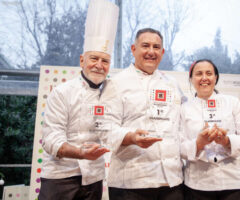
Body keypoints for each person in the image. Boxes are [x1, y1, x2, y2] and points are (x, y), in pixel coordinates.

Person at [38, 0, 119, 199]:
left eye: (105, 61)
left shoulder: (111, 93)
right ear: (82, 60)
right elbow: (50, 140)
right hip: (60, 176)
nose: (99, 65)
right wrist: (80, 153)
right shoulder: (62, 92)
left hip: (93, 178)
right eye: (94, 59)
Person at [102, 28, 184, 200]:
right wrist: (131, 137)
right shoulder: (116, 83)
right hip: (132, 182)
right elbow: (104, 128)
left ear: (162, 52)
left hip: (171, 181)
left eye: (156, 47)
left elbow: (182, 125)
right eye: (145, 46)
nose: (151, 52)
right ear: (133, 49)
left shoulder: (172, 84)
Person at [180, 59, 240, 200]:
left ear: (215, 77)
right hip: (198, 186)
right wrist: (198, 143)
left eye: (209, 73)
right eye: (199, 74)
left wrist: (227, 141)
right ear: (191, 79)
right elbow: (179, 147)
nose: (204, 78)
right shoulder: (184, 109)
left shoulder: (232, 102)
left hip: (238, 184)